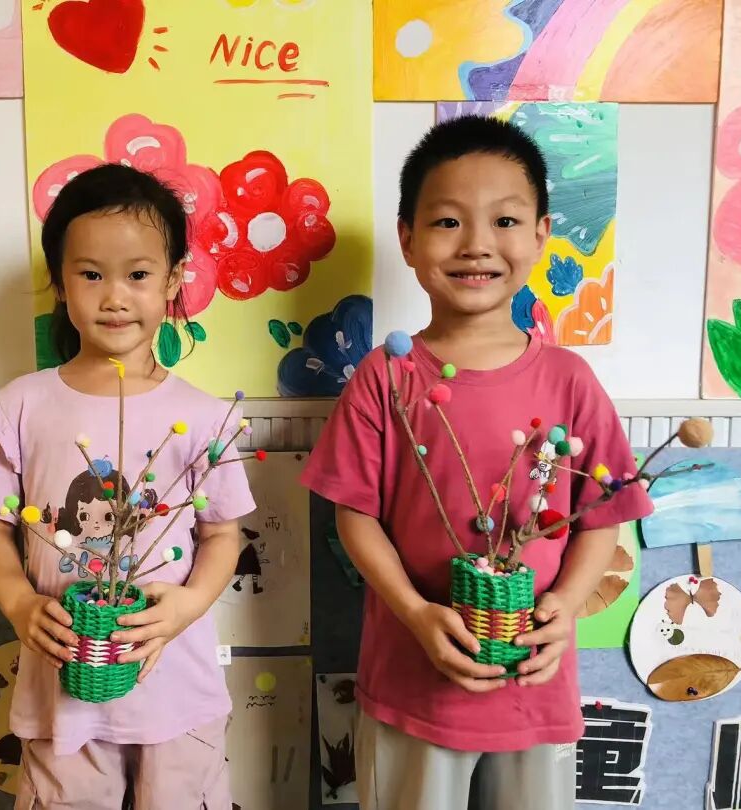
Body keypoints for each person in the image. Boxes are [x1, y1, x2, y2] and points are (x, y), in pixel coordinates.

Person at [300, 115, 653, 810]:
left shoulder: (570, 381)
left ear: (541, 235)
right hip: (412, 683)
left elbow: (601, 519)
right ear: (407, 239)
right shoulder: (386, 377)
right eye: (447, 222)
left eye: (505, 221)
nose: (477, 244)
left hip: (534, 688)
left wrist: (564, 607)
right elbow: (355, 517)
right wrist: (414, 612)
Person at [0, 163, 255, 810]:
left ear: (173, 280)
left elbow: (224, 536)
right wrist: (22, 605)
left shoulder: (206, 417)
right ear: (60, 282)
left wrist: (186, 606)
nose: (114, 296)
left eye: (138, 275)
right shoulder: (18, 408)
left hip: (176, 692)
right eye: (91, 274)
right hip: (63, 694)